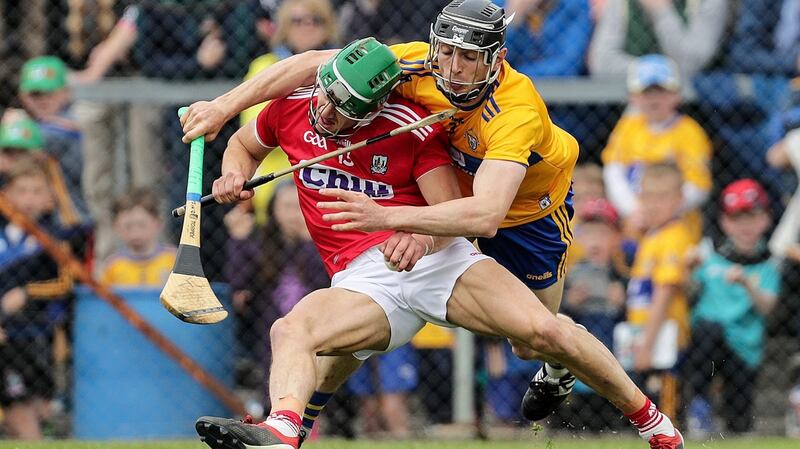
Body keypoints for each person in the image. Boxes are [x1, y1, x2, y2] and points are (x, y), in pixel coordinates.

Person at [194, 37, 683, 449]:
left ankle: (655, 425)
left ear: (374, 110)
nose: (325, 114)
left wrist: (417, 235)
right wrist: (233, 173)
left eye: (343, 112)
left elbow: (458, 211)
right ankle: (282, 432)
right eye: (325, 98)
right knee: (290, 329)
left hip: (447, 259)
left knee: (544, 334)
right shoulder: (294, 106)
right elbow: (244, 145)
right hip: (361, 277)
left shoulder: (412, 128)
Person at [684, 179, 778, 437]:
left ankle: (736, 422)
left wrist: (748, 284)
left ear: (766, 219)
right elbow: (689, 293)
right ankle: (700, 406)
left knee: (740, 424)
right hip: (709, 344)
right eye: (737, 218)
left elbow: (767, 307)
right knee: (708, 330)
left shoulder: (767, 263)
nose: (745, 226)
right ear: (725, 222)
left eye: (752, 217)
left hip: (744, 347)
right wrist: (688, 271)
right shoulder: (711, 257)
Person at [601, 54, 712, 242]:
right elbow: (613, 170)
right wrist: (633, 209)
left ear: (677, 95)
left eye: (661, 91)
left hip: (676, 225)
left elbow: (699, 186)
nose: (653, 99)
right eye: (646, 92)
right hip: (634, 220)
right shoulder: (628, 126)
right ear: (633, 97)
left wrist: (661, 212)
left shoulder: (689, 132)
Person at [0, 160, 74, 439]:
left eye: (36, 191)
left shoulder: (53, 236)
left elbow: (65, 282)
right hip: (5, 335)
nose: (29, 199)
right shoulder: (3, 235)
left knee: (40, 406)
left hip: (38, 333)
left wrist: (27, 293)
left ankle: (51, 424)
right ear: (6, 195)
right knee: (19, 409)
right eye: (21, 191)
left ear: (48, 198)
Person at [622, 162, 694, 420]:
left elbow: (664, 294)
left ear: (679, 199)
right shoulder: (652, 235)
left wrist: (647, 345)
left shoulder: (674, 237)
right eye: (647, 196)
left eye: (662, 197)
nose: (653, 205)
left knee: (666, 410)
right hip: (643, 332)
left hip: (665, 337)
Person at [588, 0, 729, 78]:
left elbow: (690, 64)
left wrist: (661, 11)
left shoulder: (708, 2)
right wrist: (648, 72)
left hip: (693, 107)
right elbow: (601, 64)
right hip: (630, 100)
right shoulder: (621, 3)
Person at [99, 187, 176, 287]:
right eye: (128, 226)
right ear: (116, 227)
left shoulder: (173, 260)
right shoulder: (113, 265)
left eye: (141, 225)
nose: (135, 233)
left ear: (158, 223)